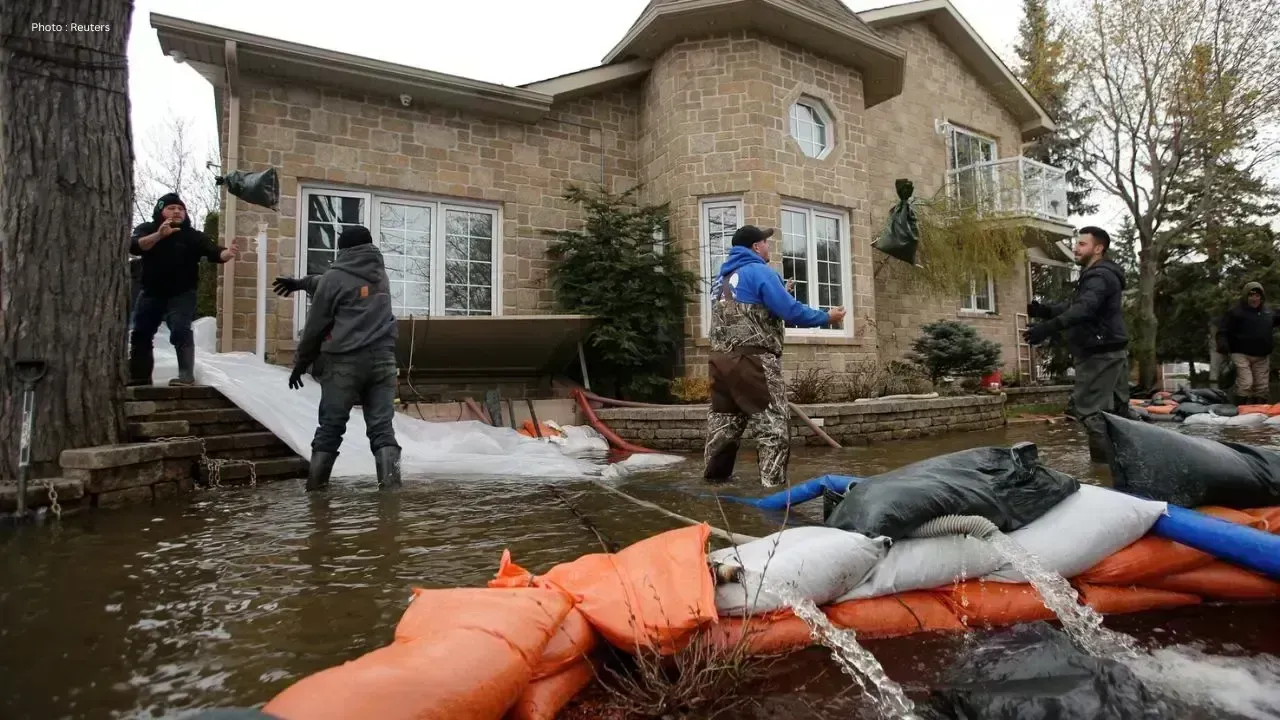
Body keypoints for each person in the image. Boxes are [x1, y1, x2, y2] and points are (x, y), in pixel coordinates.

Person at [704, 224, 846, 487]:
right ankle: (773, 493)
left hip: (720, 364)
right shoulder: (760, 271)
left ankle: (714, 490)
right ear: (756, 247)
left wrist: (781, 289)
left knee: (724, 428)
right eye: (765, 242)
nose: (769, 246)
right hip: (753, 363)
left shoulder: (720, 280)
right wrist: (827, 317)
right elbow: (791, 312)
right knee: (774, 428)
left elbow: (743, 310)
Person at [273, 226, 402, 491]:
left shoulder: (335, 278)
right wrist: (300, 283)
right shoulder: (380, 274)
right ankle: (391, 496)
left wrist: (300, 363)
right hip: (383, 362)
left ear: (342, 251)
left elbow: (315, 327)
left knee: (331, 428)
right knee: (382, 430)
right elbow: (330, 283)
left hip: (344, 363)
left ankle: (316, 496)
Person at [1024, 226, 1128, 462]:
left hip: (1099, 353)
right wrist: (1046, 311)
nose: (1075, 248)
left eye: (1082, 244)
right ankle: (1131, 460)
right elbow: (1078, 304)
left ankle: (1103, 471)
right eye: (1076, 243)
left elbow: (1084, 309)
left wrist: (1047, 328)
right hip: (1111, 349)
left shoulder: (1099, 276)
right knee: (1119, 410)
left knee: (1090, 411)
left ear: (1098, 248)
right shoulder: (1099, 275)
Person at [129, 193, 238, 386]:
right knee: (141, 333)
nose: (177, 211)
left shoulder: (191, 236)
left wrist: (227, 253)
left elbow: (213, 251)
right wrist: (159, 235)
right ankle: (139, 378)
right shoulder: (147, 228)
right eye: (171, 208)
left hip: (182, 293)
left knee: (180, 329)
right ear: (160, 210)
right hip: (151, 292)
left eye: (180, 208)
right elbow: (135, 246)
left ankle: (186, 376)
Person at [1217, 281, 1279, 405]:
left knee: (1261, 388)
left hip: (1262, 356)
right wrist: (1223, 344)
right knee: (1246, 383)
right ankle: (1239, 409)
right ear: (1246, 296)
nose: (1254, 299)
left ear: (1261, 297)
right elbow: (1223, 331)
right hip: (1240, 354)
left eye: (1257, 295)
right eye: (1251, 295)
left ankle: (1259, 412)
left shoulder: (1269, 312)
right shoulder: (1235, 312)